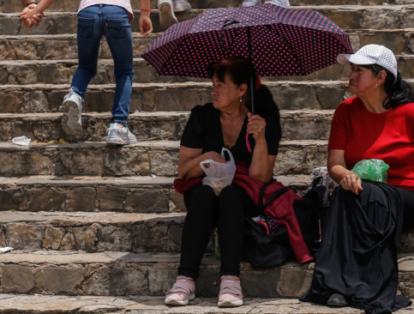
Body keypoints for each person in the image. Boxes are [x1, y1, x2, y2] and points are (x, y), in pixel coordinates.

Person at [301, 44, 414, 313]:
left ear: (380, 77)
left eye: (359, 70)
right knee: (346, 191)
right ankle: (335, 286)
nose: (350, 75)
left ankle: (360, 287)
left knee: (372, 195)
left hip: (406, 193)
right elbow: (335, 164)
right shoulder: (346, 111)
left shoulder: (410, 113)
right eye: (351, 69)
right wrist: (347, 176)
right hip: (364, 193)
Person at [164, 57, 282, 307]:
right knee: (207, 194)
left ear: (242, 89)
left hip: (243, 196)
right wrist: (206, 157)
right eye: (213, 84)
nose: (213, 90)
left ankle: (231, 279)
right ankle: (185, 279)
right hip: (202, 193)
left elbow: (261, 177)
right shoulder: (202, 116)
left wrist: (260, 139)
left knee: (230, 195)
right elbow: (184, 171)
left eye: (220, 85)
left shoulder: (261, 122)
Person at [20, 0, 153, 145]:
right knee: (124, 72)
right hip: (117, 12)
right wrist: (145, 13)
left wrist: (35, 10)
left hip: (88, 12)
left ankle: (74, 94)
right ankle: (118, 127)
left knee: (86, 66)